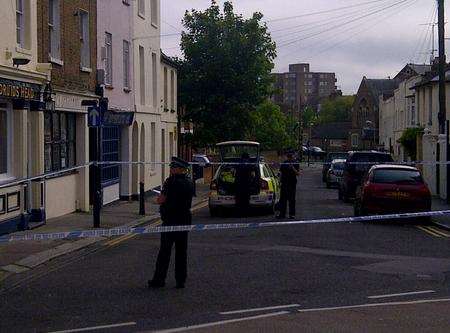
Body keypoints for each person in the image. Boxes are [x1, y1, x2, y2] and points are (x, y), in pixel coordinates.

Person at [149, 157, 194, 289]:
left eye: (172, 167)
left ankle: (159, 280)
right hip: (184, 220)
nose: (171, 169)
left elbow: (161, 200)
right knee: (181, 252)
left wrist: (160, 200)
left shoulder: (170, 182)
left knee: (165, 252)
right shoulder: (190, 183)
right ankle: (181, 280)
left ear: (178, 169)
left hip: (170, 221)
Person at [277, 151, 300, 219]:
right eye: (289, 156)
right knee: (283, 199)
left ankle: (291, 214)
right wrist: (279, 182)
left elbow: (298, 173)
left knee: (291, 200)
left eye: (291, 156)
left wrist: (292, 167)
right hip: (284, 183)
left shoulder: (295, 163)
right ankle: (282, 214)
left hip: (292, 183)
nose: (290, 158)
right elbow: (281, 173)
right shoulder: (284, 163)